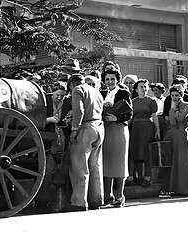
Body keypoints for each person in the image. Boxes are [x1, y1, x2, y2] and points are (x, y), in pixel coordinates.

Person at [68, 74, 105, 211]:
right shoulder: (96, 92)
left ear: (72, 84)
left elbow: (79, 111)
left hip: (85, 128)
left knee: (79, 167)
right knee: (95, 166)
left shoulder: (77, 90)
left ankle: (79, 202)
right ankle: (97, 200)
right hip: (99, 128)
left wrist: (74, 129)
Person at [101, 68, 132, 207]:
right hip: (105, 130)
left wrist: (116, 117)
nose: (110, 82)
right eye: (107, 79)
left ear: (117, 79)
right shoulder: (101, 93)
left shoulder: (123, 92)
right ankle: (108, 196)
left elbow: (129, 113)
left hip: (119, 129)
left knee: (120, 163)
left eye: (112, 79)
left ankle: (119, 196)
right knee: (106, 162)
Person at [128, 79, 160, 187]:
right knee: (135, 152)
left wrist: (157, 130)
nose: (144, 89)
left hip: (147, 128)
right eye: (141, 87)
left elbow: (154, 116)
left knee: (147, 153)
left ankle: (147, 178)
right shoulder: (132, 101)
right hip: (135, 129)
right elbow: (130, 118)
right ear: (136, 89)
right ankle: (136, 177)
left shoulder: (151, 101)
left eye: (145, 86)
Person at [165, 84, 188, 196]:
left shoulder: (187, 105)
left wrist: (173, 111)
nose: (174, 98)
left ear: (181, 95)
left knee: (182, 163)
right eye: (172, 95)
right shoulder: (173, 105)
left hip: (182, 135)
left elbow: (180, 119)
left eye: (177, 95)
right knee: (174, 162)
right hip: (173, 135)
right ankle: (175, 188)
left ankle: (184, 189)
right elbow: (172, 121)